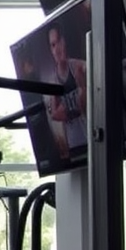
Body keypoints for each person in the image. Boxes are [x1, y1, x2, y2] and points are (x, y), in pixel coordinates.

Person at [44, 23, 88, 161]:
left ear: (65, 42)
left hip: (92, 139)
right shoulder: (53, 81)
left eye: (58, 42)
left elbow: (86, 105)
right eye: (53, 45)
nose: (56, 49)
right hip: (74, 146)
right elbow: (56, 115)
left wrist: (83, 87)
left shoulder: (81, 67)